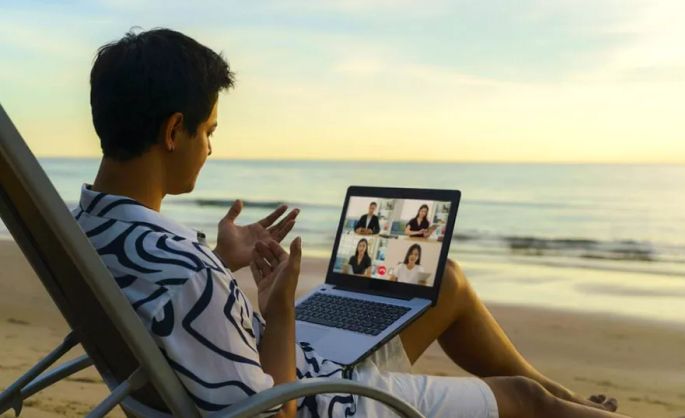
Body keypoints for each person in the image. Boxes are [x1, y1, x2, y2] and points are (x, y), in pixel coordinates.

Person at [73, 28, 629, 418]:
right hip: (321, 399)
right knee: (523, 402)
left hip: (290, 365)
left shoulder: (91, 229)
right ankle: (554, 403)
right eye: (208, 131)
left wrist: (225, 262)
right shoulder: (183, 268)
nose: (211, 148)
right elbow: (276, 412)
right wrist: (280, 311)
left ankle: (566, 400)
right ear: (174, 132)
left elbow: (173, 308)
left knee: (445, 281)